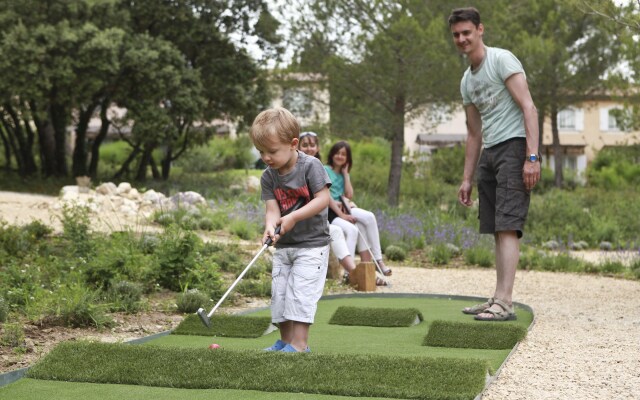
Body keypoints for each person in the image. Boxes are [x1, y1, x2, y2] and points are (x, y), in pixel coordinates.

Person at [449, 8, 540, 321]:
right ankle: (498, 298)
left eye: (466, 33)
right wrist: (466, 178)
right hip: (489, 152)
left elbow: (529, 108)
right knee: (496, 228)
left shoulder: (502, 60)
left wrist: (532, 156)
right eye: (457, 35)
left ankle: (505, 302)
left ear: (480, 30)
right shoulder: (466, 81)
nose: (462, 39)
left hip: (514, 148)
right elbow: (474, 133)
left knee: (507, 226)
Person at [250, 108, 332, 352]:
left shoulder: (311, 166)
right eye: (261, 151)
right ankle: (284, 341)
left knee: (300, 294)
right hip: (285, 246)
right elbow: (272, 209)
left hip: (312, 245)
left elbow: (322, 199)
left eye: (272, 151)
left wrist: (294, 216)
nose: (266, 157)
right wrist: (270, 225)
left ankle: (299, 345)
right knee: (281, 295)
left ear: (293, 144)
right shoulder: (268, 176)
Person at [298, 132, 388, 286]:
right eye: (304, 145)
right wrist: (341, 210)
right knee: (351, 229)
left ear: (318, 148)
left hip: (338, 209)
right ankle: (352, 273)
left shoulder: (317, 166)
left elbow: (347, 194)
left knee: (364, 222)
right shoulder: (320, 168)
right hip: (329, 213)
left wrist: (346, 177)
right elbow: (326, 197)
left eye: (312, 145)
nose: (308, 148)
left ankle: (370, 267)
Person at [324, 141, 392, 277]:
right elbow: (326, 195)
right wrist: (342, 214)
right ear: (332, 155)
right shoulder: (325, 169)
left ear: (348, 158)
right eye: (337, 153)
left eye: (343, 154)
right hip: (332, 212)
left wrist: (346, 174)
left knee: (369, 217)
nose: (340, 156)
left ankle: (378, 261)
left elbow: (349, 195)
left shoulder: (343, 174)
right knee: (355, 228)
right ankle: (349, 273)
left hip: (345, 207)